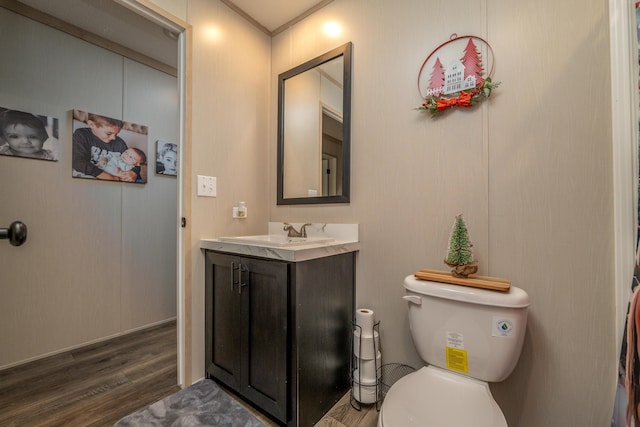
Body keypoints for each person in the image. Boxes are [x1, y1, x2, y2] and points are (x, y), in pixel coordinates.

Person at [72, 113, 137, 182]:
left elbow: (134, 162)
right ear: (92, 124)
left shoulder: (120, 143)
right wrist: (111, 178)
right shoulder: (82, 134)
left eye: (116, 134)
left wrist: (134, 172)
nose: (114, 138)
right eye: (109, 133)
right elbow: (77, 161)